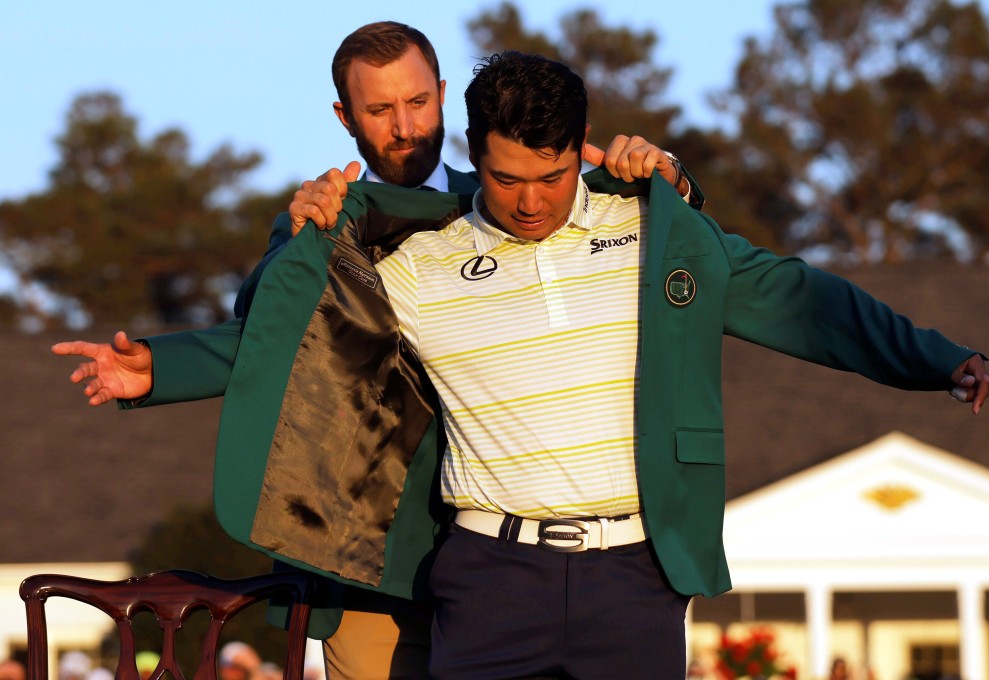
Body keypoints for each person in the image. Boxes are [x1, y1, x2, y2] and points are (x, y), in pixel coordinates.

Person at [58, 49, 989, 678]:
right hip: (490, 575)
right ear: (474, 155)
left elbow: (799, 299)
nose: (534, 199)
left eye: (553, 176)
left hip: (635, 574)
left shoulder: (650, 231)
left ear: (580, 153)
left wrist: (937, 361)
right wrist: (157, 371)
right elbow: (293, 343)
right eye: (508, 179)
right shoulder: (414, 263)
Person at [52, 22, 701, 680]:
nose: (406, 127)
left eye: (418, 102)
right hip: (369, 556)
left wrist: (671, 178)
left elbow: (652, 265)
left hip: (505, 562)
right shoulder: (329, 219)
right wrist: (161, 367)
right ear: (345, 116)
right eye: (380, 109)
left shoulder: (512, 199)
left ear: (445, 95)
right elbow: (279, 341)